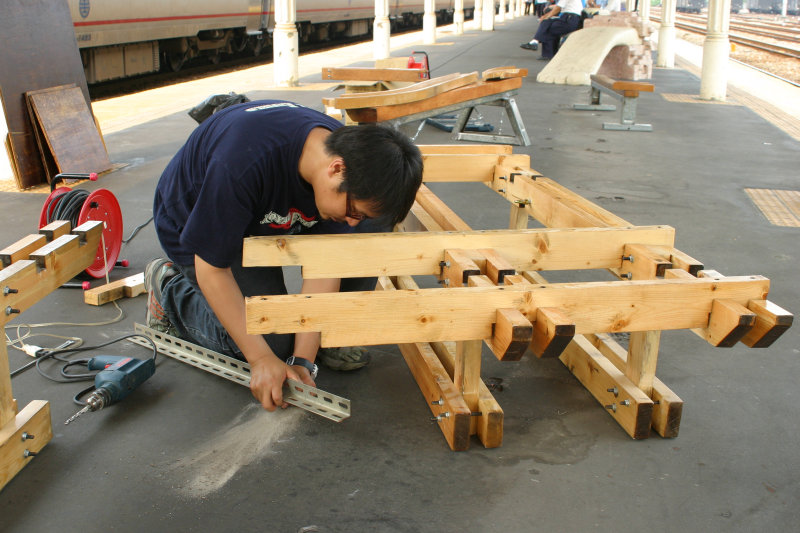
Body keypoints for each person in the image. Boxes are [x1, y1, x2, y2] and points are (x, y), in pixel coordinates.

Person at [146, 100, 424, 412]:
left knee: (371, 229)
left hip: (265, 216)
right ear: (336, 170)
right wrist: (261, 359)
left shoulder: (352, 162)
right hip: (199, 227)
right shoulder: (242, 162)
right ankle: (169, 289)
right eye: (351, 211)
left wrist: (303, 360)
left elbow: (325, 264)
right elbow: (212, 270)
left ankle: (326, 337)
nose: (352, 222)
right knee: (270, 345)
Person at [520, 0, 584, 60]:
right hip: (570, 19)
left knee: (547, 27)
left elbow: (558, 8)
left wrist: (547, 16)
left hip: (569, 19)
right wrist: (546, 16)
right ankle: (541, 47)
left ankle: (538, 45)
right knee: (547, 25)